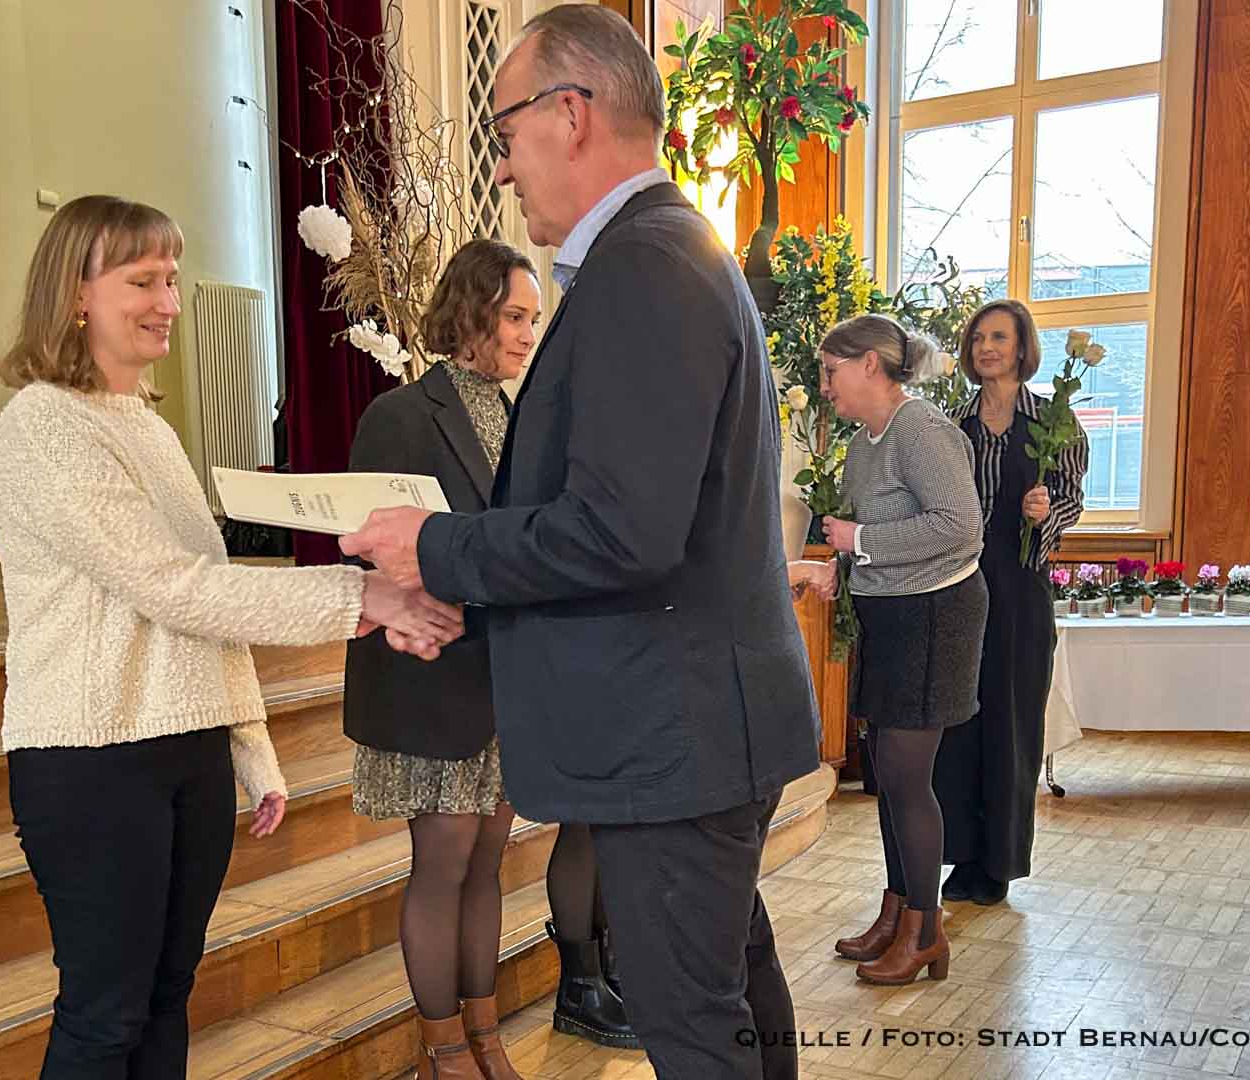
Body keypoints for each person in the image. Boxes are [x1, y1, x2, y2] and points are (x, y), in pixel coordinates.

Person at [338, 7, 819, 1076]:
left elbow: (622, 532)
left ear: (571, 114)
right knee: (734, 1000)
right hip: (693, 720)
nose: (503, 170)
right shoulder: (668, 252)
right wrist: (473, 590)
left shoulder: (644, 269)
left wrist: (439, 549)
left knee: (696, 1023)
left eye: (505, 134)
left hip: (672, 733)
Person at [0, 194, 462, 1078]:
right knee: (103, 1016)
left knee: (169, 995)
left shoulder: (152, 430)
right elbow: (179, 590)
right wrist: (368, 598)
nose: (168, 299)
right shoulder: (43, 426)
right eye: (142, 280)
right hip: (92, 759)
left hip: (184, 750)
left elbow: (204, 618)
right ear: (75, 294)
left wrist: (250, 748)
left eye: (170, 277)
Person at [345, 238, 616, 1079]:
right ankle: (440, 1048)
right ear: (469, 311)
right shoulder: (400, 414)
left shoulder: (526, 413)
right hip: (431, 677)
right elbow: (365, 550)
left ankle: (485, 1032)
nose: (526, 334)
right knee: (444, 865)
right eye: (513, 316)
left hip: (507, 681)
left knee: (489, 865)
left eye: (534, 319)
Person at [814, 315, 985, 985]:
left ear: (871, 367)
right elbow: (863, 531)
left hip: (936, 614)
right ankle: (896, 911)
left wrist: (862, 544)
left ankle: (926, 930)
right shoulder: (863, 444)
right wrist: (841, 564)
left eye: (832, 370)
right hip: (888, 615)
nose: (825, 384)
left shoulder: (924, 432)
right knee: (886, 770)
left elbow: (958, 525)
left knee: (909, 776)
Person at [936, 299, 1087, 907]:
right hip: (961, 582)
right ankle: (962, 855)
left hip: (1022, 584)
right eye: (978, 338)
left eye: (999, 337)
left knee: (1012, 721)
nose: (986, 347)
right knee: (961, 717)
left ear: (1023, 348)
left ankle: (999, 861)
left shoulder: (1055, 419)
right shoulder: (955, 423)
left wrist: (1045, 515)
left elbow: (1074, 497)